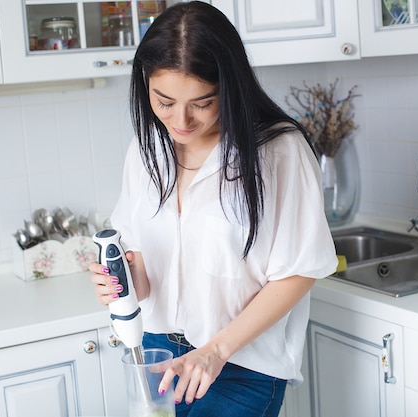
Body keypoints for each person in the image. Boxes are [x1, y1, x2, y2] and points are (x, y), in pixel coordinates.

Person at [89, 2, 337, 416]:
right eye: (164, 101)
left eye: (202, 103)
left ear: (230, 86)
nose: (181, 120)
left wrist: (215, 350)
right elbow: (150, 273)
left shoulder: (277, 151)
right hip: (158, 353)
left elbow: (298, 271)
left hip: (240, 365)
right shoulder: (146, 152)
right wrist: (126, 281)